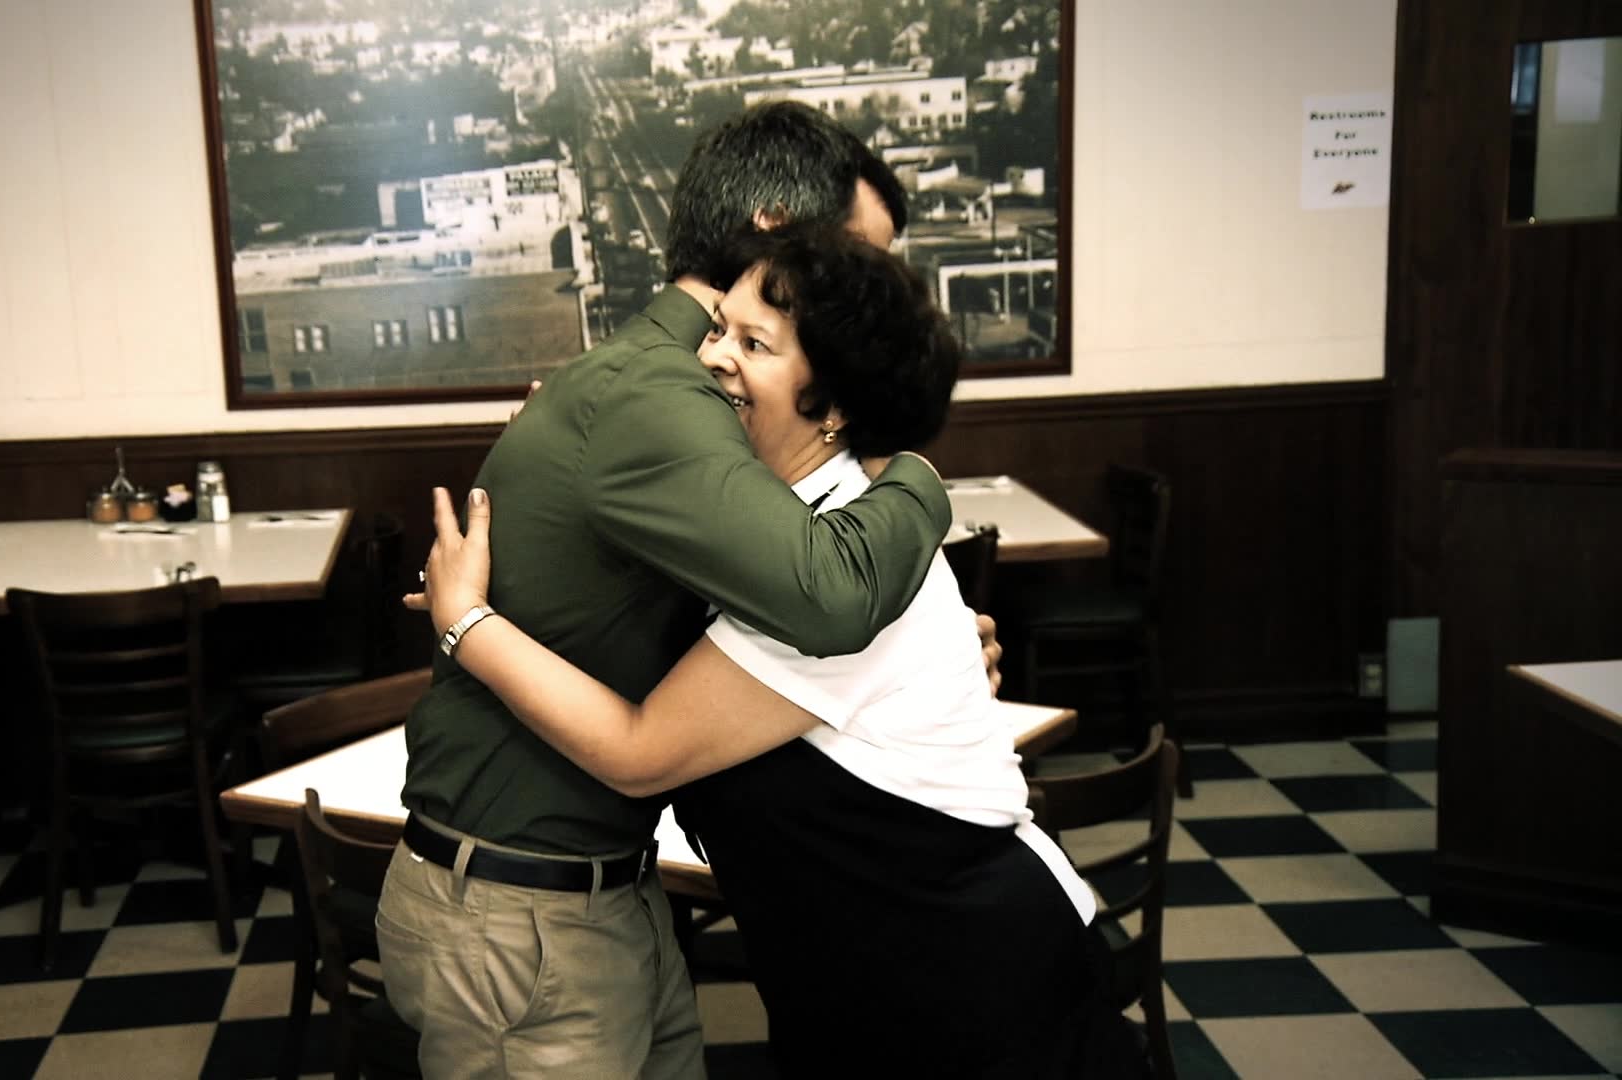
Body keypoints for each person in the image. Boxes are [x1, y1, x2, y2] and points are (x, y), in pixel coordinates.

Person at [409, 225, 1148, 1078]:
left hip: (964, 977)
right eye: (717, 327)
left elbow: (640, 753)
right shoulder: (759, 533)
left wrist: (466, 621)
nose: (713, 358)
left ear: (831, 406)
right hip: (860, 977)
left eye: (753, 344)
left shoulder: (833, 565)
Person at [376, 102, 958, 1079]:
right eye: (855, 260)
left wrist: (926, 652)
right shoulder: (662, 395)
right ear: (776, 230)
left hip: (598, 888)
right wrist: (920, 474)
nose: (872, 300)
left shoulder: (675, 385)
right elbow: (830, 594)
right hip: (525, 907)